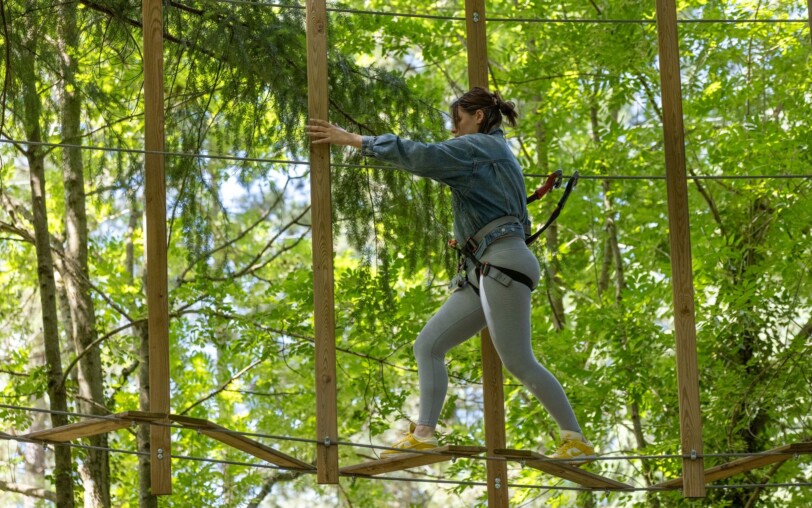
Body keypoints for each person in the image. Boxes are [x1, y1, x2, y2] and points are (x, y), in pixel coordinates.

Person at [306, 87, 594, 463]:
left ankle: (576, 441)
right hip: (488, 267)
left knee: (518, 359)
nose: (454, 131)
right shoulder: (497, 153)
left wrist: (356, 140)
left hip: (501, 264)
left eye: (457, 121)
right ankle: (424, 433)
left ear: (478, 117)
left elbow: (424, 156)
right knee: (428, 345)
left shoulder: (480, 148)